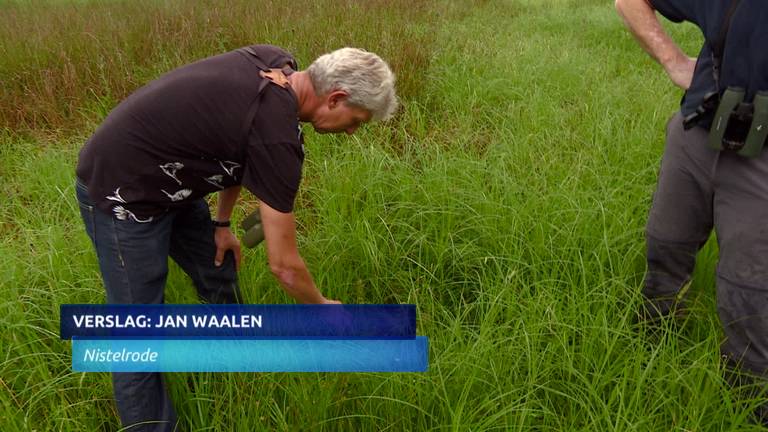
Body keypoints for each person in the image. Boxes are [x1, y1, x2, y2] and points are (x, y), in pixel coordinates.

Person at [75, 44, 397, 431]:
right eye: (356, 120)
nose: (352, 130)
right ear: (336, 97)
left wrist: (222, 224)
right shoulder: (279, 138)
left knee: (217, 269)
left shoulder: (278, 64)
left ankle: (232, 362)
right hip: (122, 190)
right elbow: (285, 268)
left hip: (174, 181)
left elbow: (237, 151)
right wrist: (324, 306)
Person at [616, 0, 768, 423]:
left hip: (763, 161)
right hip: (699, 129)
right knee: (665, 244)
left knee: (749, 290)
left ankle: (744, 406)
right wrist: (673, 60)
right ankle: (651, 343)